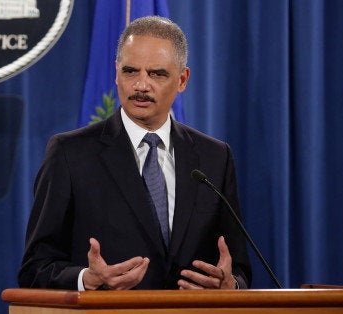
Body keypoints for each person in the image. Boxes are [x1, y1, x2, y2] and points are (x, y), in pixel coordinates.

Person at [18, 16, 251, 290]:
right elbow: (35, 268)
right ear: (116, 73)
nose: (141, 85)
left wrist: (232, 285)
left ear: (182, 79)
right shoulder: (70, 154)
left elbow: (239, 268)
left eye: (157, 74)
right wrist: (86, 280)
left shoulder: (214, 157)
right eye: (130, 71)